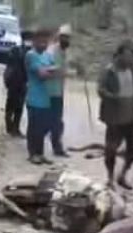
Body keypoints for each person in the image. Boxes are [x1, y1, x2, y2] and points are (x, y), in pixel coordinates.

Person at [98, 43, 133, 190]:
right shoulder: (109, 71)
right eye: (127, 56)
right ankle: (110, 178)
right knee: (111, 149)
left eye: (132, 56)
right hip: (114, 115)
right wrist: (113, 97)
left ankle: (123, 175)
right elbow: (100, 89)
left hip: (131, 115)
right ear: (119, 56)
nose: (130, 59)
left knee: (132, 150)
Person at [25, 29, 59, 165]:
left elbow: (56, 70)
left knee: (43, 127)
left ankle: (40, 153)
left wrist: (50, 71)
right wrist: (52, 71)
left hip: (46, 98)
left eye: (46, 42)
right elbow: (42, 74)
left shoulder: (47, 56)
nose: (43, 44)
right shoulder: (31, 55)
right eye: (41, 41)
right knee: (34, 127)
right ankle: (32, 153)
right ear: (34, 41)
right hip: (34, 98)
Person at [46, 25, 74, 157]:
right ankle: (49, 146)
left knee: (57, 121)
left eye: (68, 38)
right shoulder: (52, 51)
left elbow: (64, 69)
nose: (66, 40)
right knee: (52, 121)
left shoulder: (65, 52)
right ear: (59, 37)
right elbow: (48, 69)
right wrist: (62, 71)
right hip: (49, 91)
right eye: (64, 37)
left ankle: (57, 146)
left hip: (59, 91)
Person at [4, 31, 33, 137]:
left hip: (16, 81)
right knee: (14, 106)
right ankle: (12, 128)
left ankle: (12, 128)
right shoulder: (25, 52)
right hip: (17, 81)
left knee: (15, 106)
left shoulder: (15, 50)